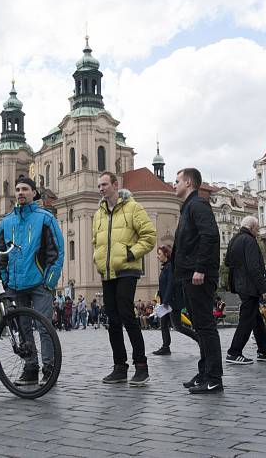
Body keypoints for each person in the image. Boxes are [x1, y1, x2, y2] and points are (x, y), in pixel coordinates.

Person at [0, 176, 64, 386]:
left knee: (44, 327)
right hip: (16, 285)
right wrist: (5, 282)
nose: (20, 192)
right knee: (23, 328)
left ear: (34, 193)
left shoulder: (45, 218)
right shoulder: (6, 222)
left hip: (39, 283)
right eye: (17, 189)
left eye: (25, 189)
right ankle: (30, 368)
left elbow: (57, 252)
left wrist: (49, 282)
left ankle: (49, 369)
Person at [92, 170, 157, 387]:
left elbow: (149, 236)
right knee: (112, 321)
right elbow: (96, 241)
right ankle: (119, 367)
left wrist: (131, 253)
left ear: (115, 184)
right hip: (107, 271)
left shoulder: (133, 207)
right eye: (99, 186)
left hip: (127, 269)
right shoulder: (98, 213)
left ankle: (141, 366)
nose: (101, 189)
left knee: (127, 315)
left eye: (104, 185)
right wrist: (98, 259)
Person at [173, 167, 225, 395]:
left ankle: (214, 378)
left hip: (198, 276)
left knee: (206, 326)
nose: (174, 185)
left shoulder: (198, 205)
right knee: (200, 327)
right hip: (188, 275)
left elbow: (210, 235)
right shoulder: (188, 208)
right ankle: (204, 372)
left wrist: (200, 268)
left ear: (189, 183)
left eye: (177, 181)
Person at [225, 214, 266, 371]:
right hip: (250, 287)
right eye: (257, 229)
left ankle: (264, 351)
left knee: (256, 319)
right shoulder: (250, 241)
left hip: (240, 285)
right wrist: (263, 288)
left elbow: (227, 263)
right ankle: (234, 352)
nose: (258, 232)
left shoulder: (234, 240)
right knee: (247, 320)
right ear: (252, 228)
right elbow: (254, 267)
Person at [152, 244, 200, 356]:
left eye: (159, 254)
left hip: (172, 302)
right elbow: (165, 285)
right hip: (166, 301)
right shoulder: (166, 267)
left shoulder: (170, 267)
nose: (157, 257)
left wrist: (166, 301)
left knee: (178, 326)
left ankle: (198, 338)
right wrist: (160, 293)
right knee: (163, 324)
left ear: (166, 254)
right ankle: (165, 347)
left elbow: (171, 284)